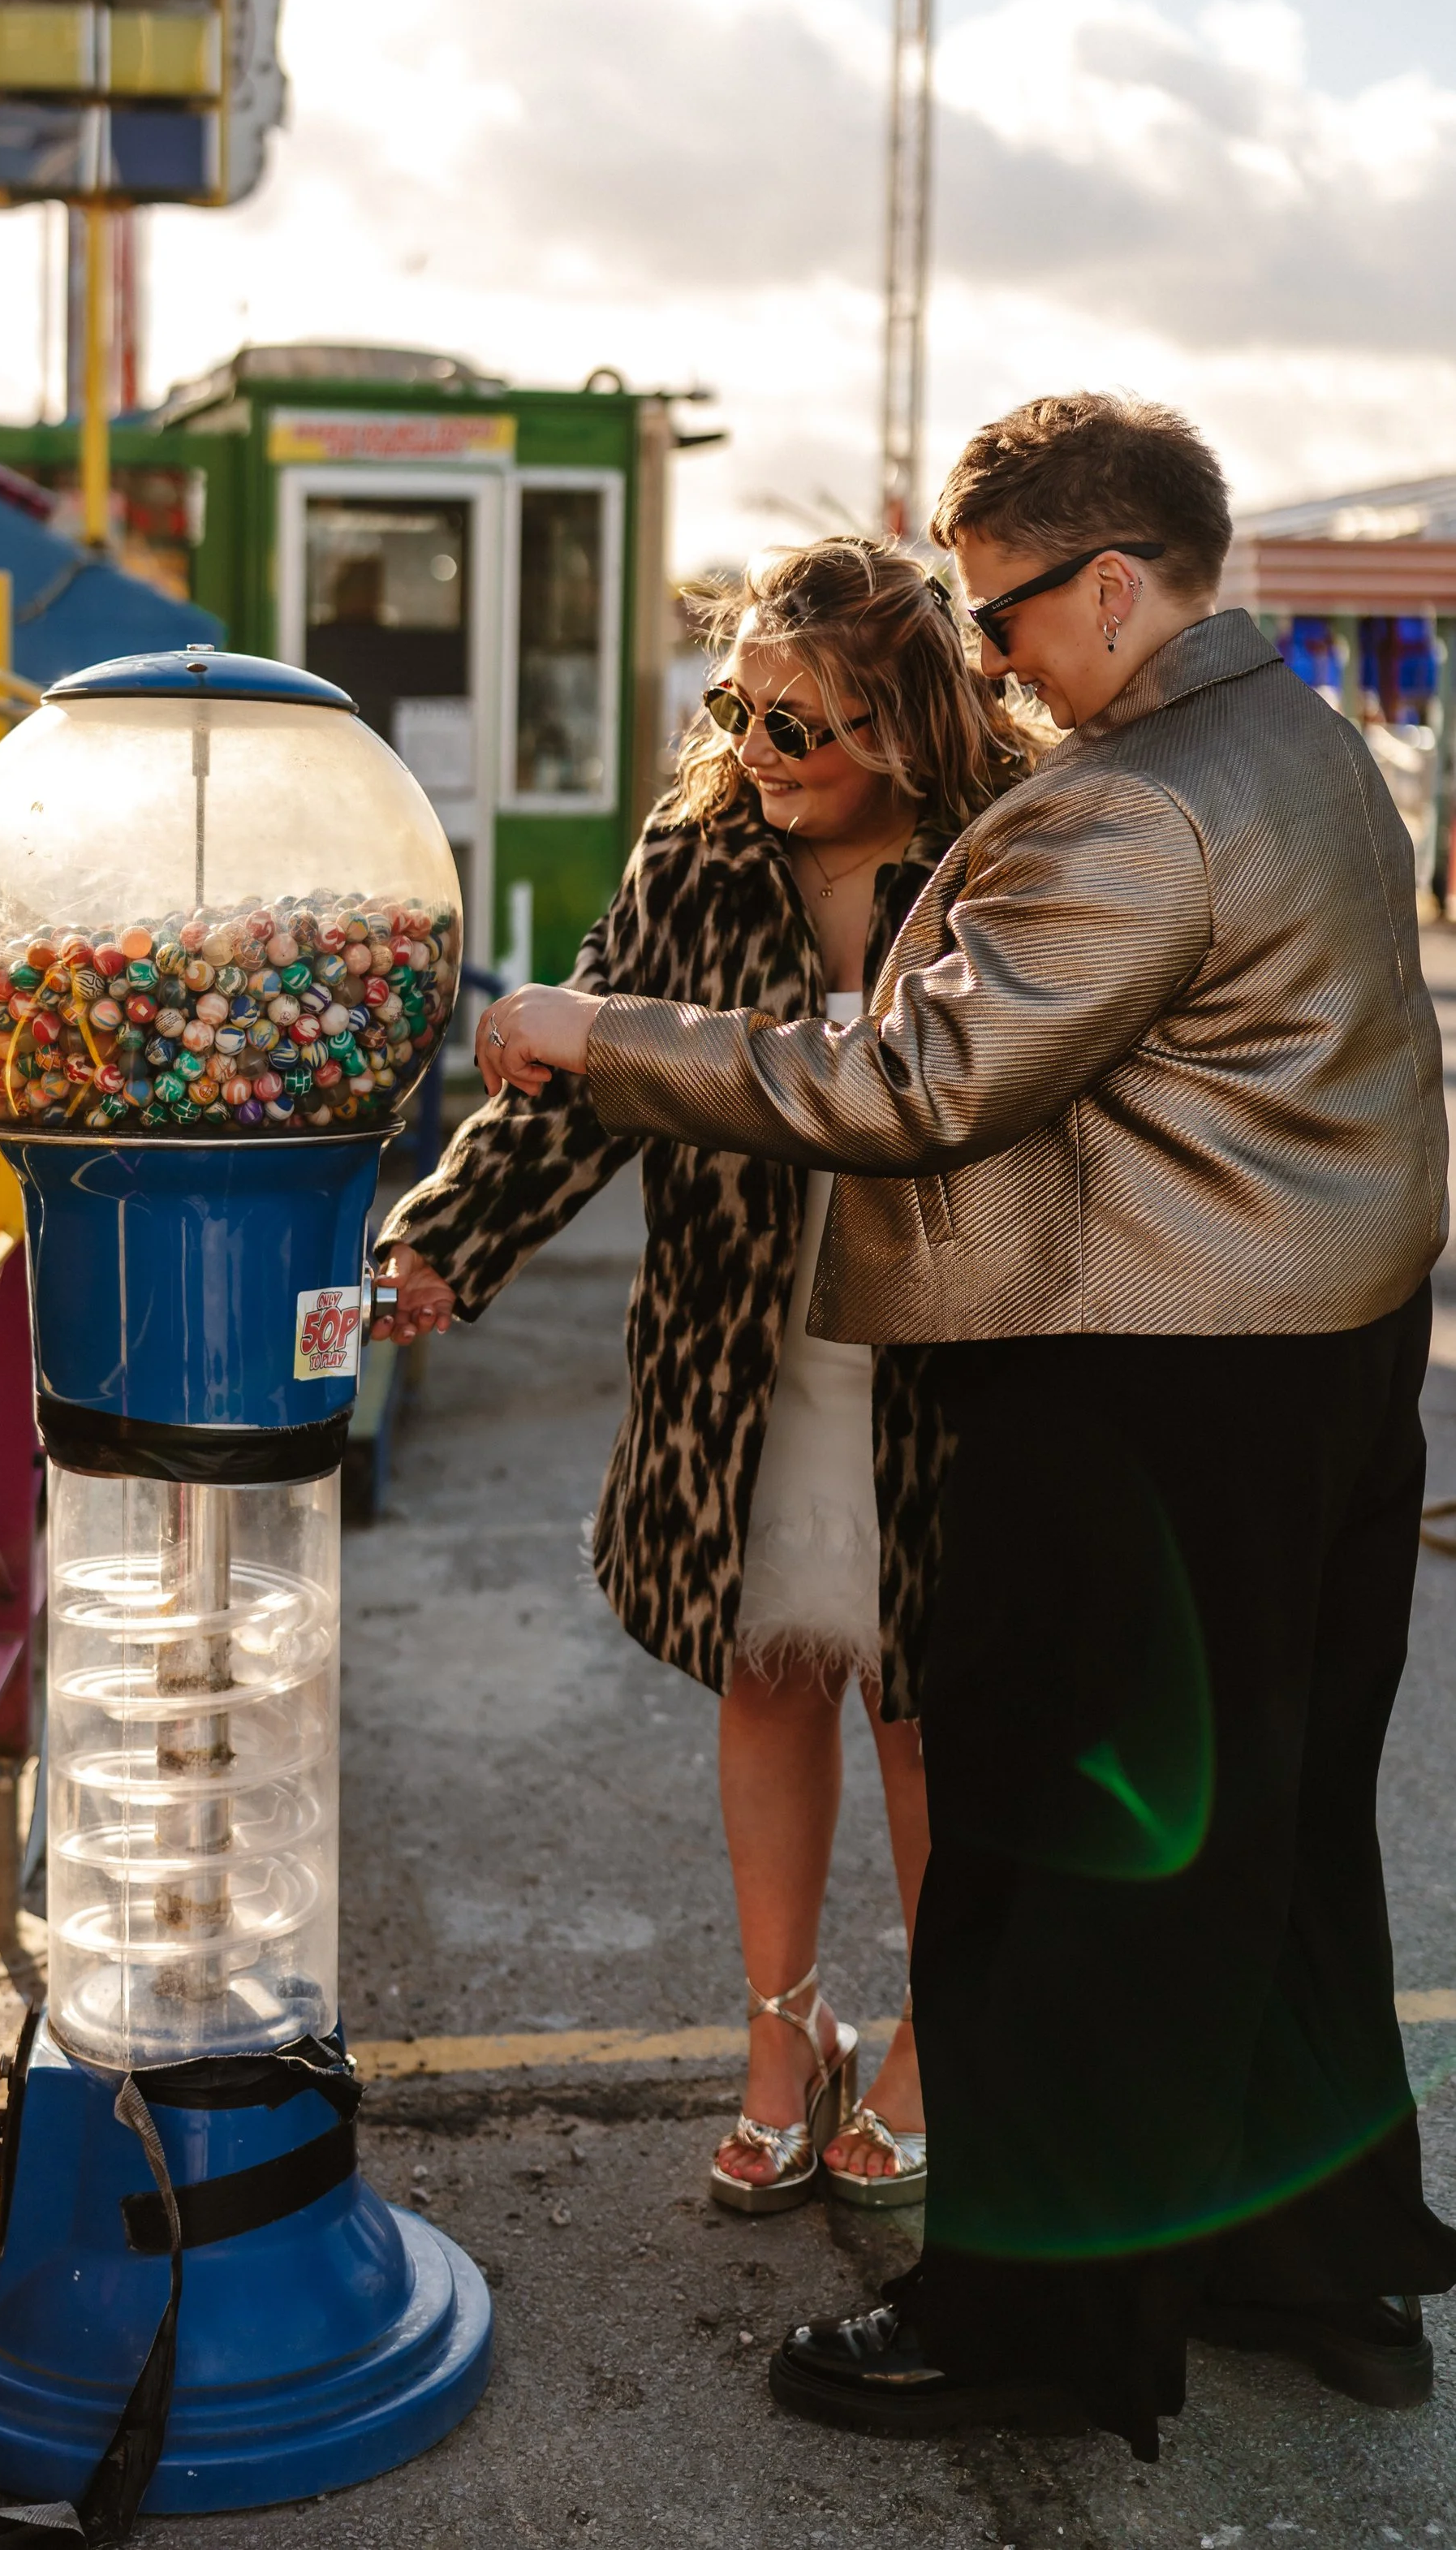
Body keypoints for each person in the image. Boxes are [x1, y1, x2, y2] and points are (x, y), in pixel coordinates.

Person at [472, 393, 1456, 2458]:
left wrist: (598, 1037)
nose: (987, 651)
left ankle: (1029, 2332)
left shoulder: (1130, 805)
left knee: (1051, 1878)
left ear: (1110, 584)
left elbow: (910, 1084)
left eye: (1004, 610)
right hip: (1323, 1378)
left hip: (1147, 1395)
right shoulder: (1312, 752)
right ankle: (1321, 2270)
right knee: (1270, 1860)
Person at [375, 539, 1040, 2210]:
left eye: (798, 725)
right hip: (736, 1360)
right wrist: (444, 1239)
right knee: (766, 1678)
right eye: (738, 709)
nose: (755, 749)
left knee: (924, 1720)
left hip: (943, 1373)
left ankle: (940, 2042)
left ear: (900, 725)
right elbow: (583, 1059)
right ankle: (780, 2030)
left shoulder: (1001, 856)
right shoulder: (699, 855)